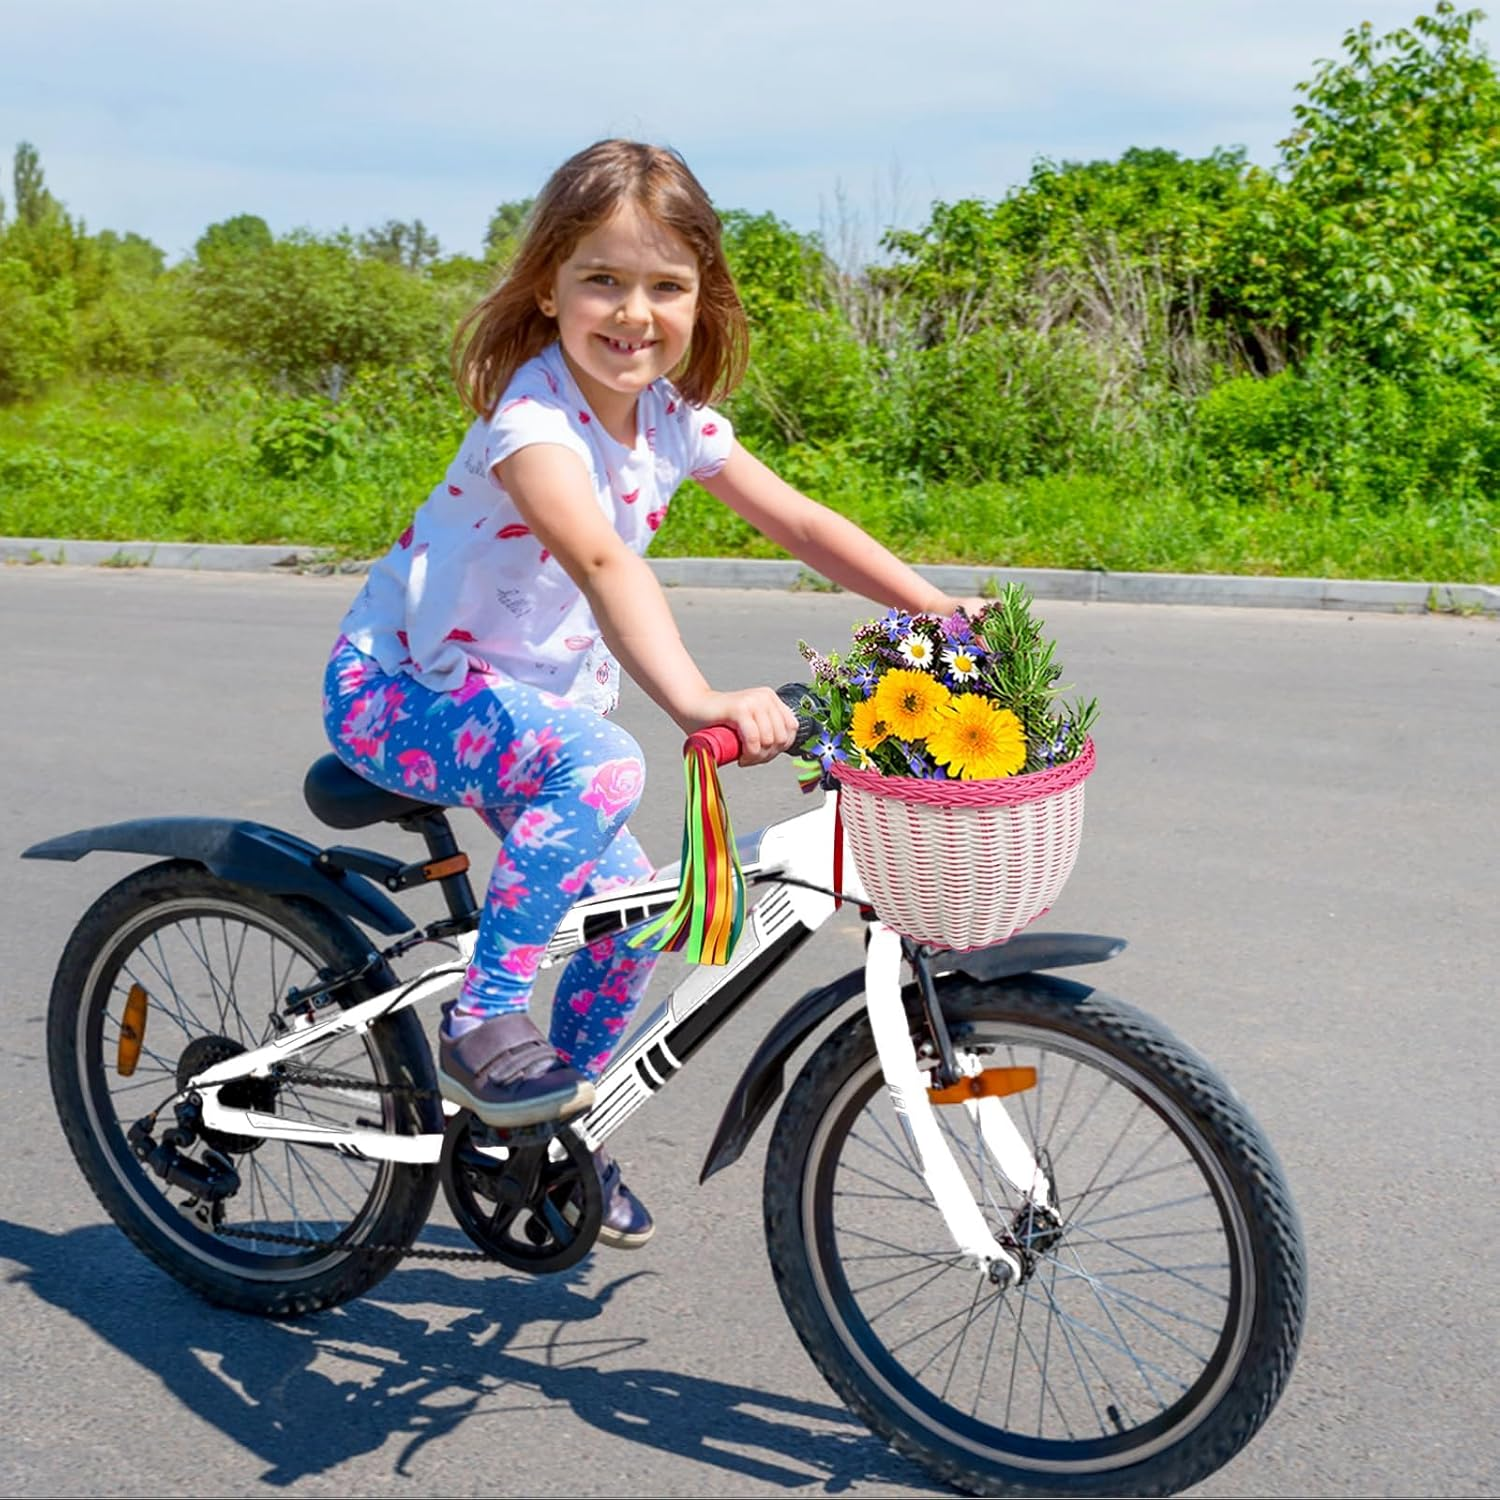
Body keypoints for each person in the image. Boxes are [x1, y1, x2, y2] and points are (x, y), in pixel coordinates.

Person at [323, 139, 984, 1248]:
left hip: (523, 709)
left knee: (632, 919)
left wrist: (941, 618)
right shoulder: (529, 426)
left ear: (701, 298)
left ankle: (538, 1140)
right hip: (400, 689)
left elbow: (804, 523)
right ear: (549, 287)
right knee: (607, 763)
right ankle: (484, 1024)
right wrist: (696, 701)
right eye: (603, 281)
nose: (634, 314)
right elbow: (603, 562)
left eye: (665, 287)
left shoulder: (675, 419)